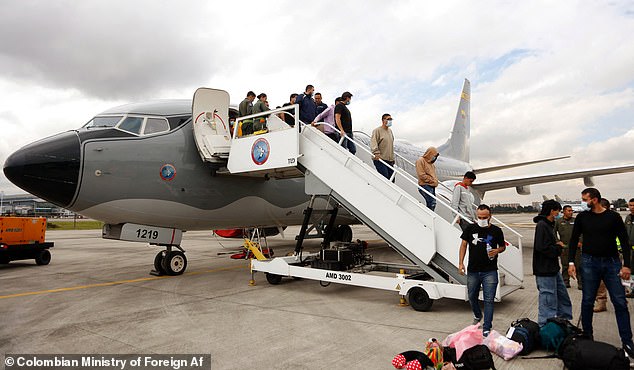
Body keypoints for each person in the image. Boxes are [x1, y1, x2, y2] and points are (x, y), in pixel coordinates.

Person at [567, 188, 633, 358]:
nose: (582, 202)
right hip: (589, 262)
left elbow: (624, 242)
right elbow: (573, 239)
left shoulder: (613, 217)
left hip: (611, 263)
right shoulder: (582, 217)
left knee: (619, 301)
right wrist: (571, 262)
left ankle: (627, 341)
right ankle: (588, 335)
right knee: (588, 300)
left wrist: (627, 266)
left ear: (594, 200)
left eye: (584, 199)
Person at [458, 204, 506, 336]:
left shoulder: (496, 231)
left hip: (489, 271)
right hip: (473, 270)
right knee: (472, 296)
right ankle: (478, 315)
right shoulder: (470, 228)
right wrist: (460, 263)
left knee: (489, 300)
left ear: (490, 216)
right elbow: (463, 245)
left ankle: (486, 327)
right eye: (479, 217)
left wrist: (497, 251)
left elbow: (502, 247)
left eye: (485, 217)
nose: (482, 219)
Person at [533, 199, 573, 327]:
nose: (559, 213)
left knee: (562, 296)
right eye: (558, 211)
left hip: (553, 268)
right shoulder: (542, 225)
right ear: (552, 211)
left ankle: (563, 321)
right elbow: (541, 247)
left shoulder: (549, 224)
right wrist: (558, 248)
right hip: (545, 269)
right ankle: (546, 327)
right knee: (548, 299)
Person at [555, 205, 583, 290]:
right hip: (565, 247)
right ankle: (565, 282)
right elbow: (553, 232)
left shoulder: (576, 221)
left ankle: (581, 283)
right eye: (569, 211)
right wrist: (558, 241)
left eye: (571, 211)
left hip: (576, 247)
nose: (571, 212)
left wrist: (581, 241)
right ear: (564, 212)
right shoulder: (559, 222)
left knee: (579, 266)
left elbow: (582, 232)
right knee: (565, 265)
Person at [370, 114, 395, 180]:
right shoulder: (377, 130)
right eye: (388, 119)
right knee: (385, 177)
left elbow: (391, 145)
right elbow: (373, 142)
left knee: (392, 179)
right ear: (383, 120)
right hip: (380, 159)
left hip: (389, 160)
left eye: (391, 119)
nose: (390, 121)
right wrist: (376, 152)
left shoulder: (390, 131)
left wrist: (392, 158)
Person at [626, 198, 634, 298]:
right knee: (630, 270)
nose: (632, 208)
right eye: (630, 205)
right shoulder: (628, 218)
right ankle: (631, 290)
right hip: (630, 249)